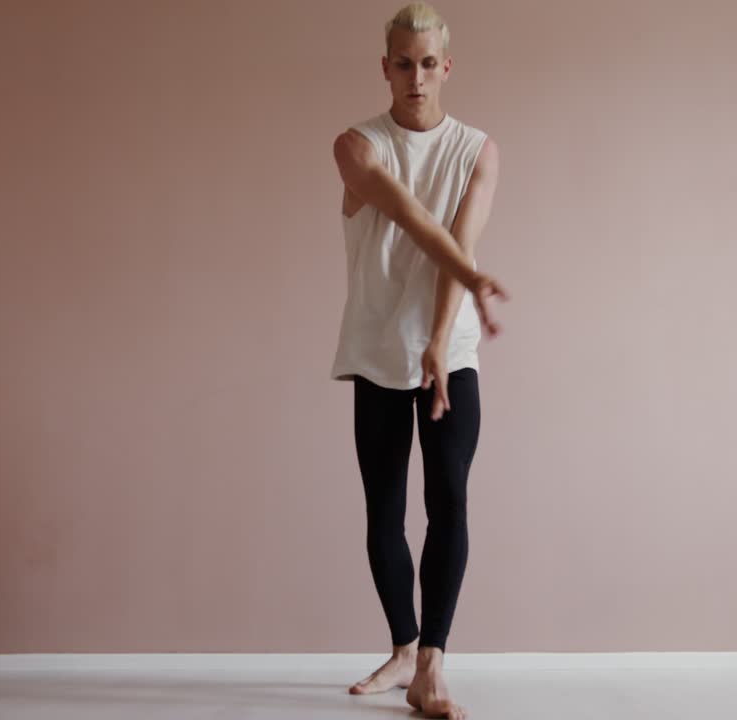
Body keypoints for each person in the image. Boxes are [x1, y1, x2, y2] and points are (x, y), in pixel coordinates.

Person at [329, 4, 507, 719]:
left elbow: (459, 241)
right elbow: (412, 218)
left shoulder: (479, 150)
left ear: (446, 66)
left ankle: (432, 661)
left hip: (452, 349)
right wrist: (465, 277)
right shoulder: (355, 146)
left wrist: (440, 337)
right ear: (385, 67)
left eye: (428, 62)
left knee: (450, 500)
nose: (415, 76)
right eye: (403, 62)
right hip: (375, 349)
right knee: (384, 512)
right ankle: (402, 646)